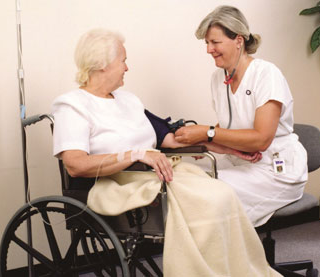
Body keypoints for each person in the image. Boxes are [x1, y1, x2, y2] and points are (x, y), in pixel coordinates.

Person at [52, 28, 280, 276]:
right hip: (116, 184)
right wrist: (136, 154)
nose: (127, 68)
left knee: (222, 194)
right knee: (209, 203)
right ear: (102, 65)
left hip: (154, 176)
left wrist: (231, 149)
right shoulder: (72, 106)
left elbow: (170, 136)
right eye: (123, 61)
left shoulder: (128, 100)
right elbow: (75, 165)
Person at [174, 5, 308, 227]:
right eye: (206, 43)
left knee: (207, 190)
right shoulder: (218, 78)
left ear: (238, 40)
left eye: (215, 42)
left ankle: (228, 258)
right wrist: (201, 142)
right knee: (184, 176)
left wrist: (207, 132)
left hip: (275, 170)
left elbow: (261, 139)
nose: (209, 49)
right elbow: (228, 126)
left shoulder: (266, 74)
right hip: (240, 161)